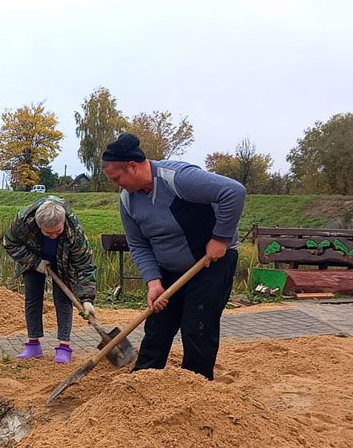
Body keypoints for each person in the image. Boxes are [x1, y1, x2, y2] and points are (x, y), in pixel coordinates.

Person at [101, 133, 245, 381]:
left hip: (210, 265)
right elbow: (138, 243)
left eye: (117, 178)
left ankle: (194, 384)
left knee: (197, 327)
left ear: (133, 167)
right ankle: (142, 380)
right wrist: (153, 281)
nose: (116, 185)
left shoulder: (178, 178)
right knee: (157, 326)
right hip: (169, 269)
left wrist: (221, 238)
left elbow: (233, 191)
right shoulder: (127, 200)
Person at [3, 196, 96, 363]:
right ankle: (33, 345)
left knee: (63, 300)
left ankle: (64, 347)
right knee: (33, 298)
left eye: (57, 232)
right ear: (39, 226)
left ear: (63, 223)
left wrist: (87, 299)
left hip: (63, 261)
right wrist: (35, 263)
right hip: (33, 257)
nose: (53, 236)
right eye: (47, 232)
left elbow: (85, 265)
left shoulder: (74, 230)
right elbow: (10, 243)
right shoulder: (24, 221)